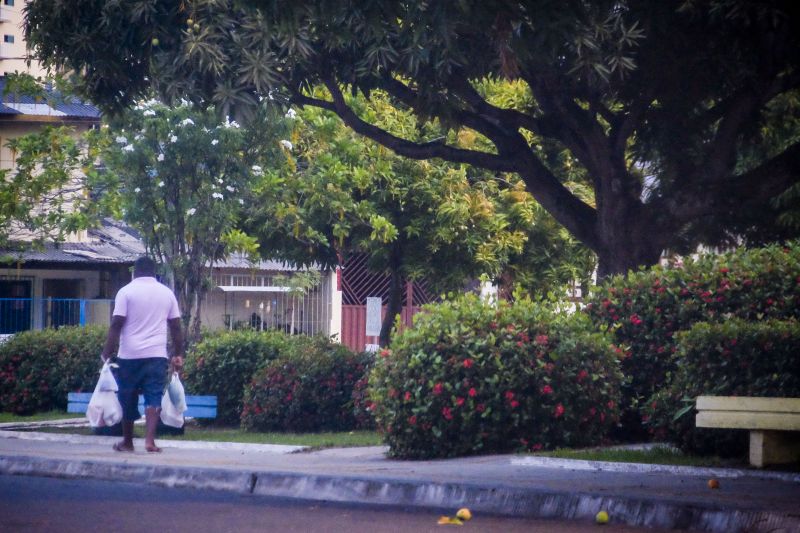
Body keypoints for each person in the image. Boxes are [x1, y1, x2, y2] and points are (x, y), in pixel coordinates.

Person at [101, 256, 184, 453]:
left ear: (134, 272)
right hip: (157, 355)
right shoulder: (167, 293)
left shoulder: (126, 292)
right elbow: (176, 327)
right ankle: (149, 441)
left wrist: (107, 352)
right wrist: (178, 353)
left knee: (127, 396)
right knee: (153, 395)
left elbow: (116, 324)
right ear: (154, 272)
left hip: (129, 355)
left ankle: (128, 442)